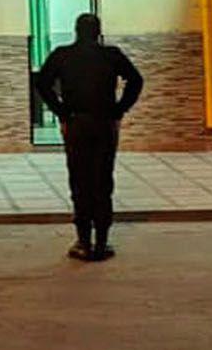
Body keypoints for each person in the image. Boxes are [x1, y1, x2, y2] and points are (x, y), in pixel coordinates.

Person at [33, 13, 143, 262]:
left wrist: (61, 112)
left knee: (80, 181)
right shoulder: (111, 55)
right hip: (104, 123)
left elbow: (42, 84)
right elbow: (136, 80)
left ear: (76, 31)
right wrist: (119, 109)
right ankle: (102, 242)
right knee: (103, 181)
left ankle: (83, 241)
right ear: (98, 32)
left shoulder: (62, 55)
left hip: (76, 123)